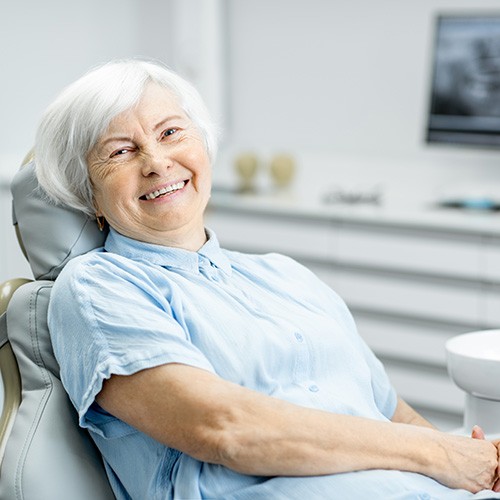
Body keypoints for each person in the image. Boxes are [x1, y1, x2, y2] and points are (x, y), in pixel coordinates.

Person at [34, 59, 500, 500]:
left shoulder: (285, 275)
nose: (156, 161)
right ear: (89, 195)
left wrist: (479, 467)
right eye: (121, 151)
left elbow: (395, 415)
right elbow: (226, 429)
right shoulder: (98, 287)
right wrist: (441, 454)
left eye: (171, 132)